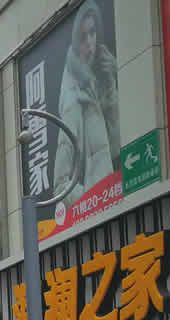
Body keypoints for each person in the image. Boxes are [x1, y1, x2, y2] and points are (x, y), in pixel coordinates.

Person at [53, 0, 120, 209]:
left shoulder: (98, 83)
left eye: (92, 32)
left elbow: (117, 149)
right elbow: (59, 186)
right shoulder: (73, 100)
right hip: (98, 211)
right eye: (83, 38)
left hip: (114, 202)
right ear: (75, 42)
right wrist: (93, 196)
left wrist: (110, 85)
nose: (90, 42)